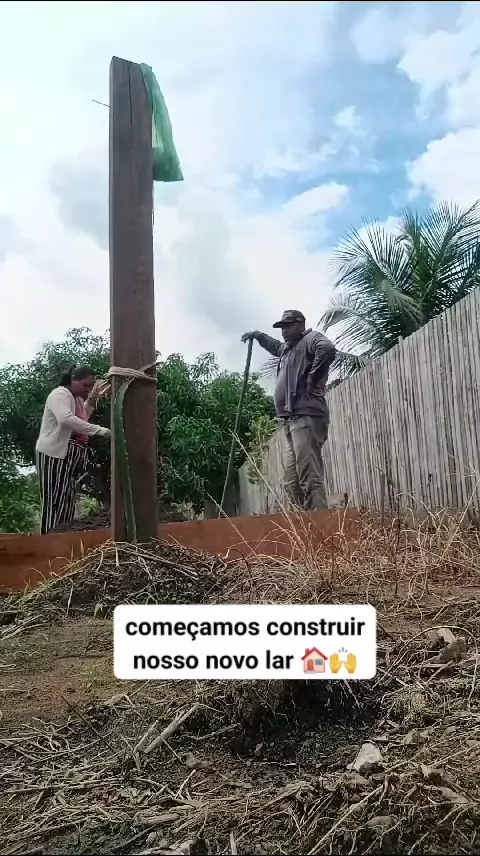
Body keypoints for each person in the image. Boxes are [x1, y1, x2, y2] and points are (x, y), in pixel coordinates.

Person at [242, 310, 336, 511]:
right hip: (291, 420)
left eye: (288, 325)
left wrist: (312, 377)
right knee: (291, 483)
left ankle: (320, 525)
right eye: (282, 327)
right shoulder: (287, 349)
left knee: (309, 475)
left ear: (300, 324)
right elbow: (274, 346)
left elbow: (327, 349)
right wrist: (257, 335)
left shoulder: (310, 339)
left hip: (307, 416)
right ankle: (303, 525)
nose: (284, 331)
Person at [35, 365, 111, 534]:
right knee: (54, 500)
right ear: (73, 380)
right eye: (86, 385)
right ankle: (49, 539)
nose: (88, 389)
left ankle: (62, 538)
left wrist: (92, 400)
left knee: (66, 499)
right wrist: (99, 430)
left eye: (91, 386)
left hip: (69, 455)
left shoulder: (76, 400)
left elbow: (82, 419)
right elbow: (66, 419)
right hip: (54, 454)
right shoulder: (60, 394)